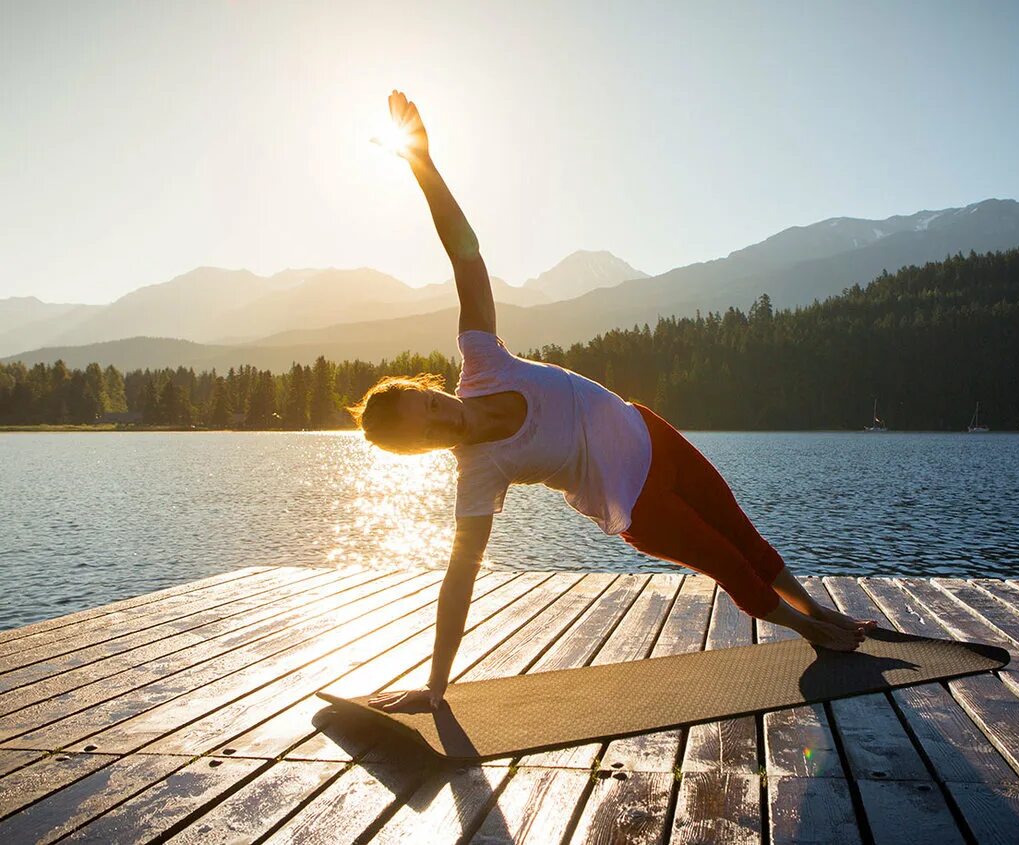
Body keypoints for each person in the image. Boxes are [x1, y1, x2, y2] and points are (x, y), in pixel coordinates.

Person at [356, 91, 876, 713]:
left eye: (432, 405)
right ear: (422, 449)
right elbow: (458, 580)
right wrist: (436, 686)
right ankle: (815, 633)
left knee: (743, 534)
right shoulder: (480, 472)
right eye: (429, 431)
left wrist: (422, 162)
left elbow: (465, 253)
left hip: (651, 434)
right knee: (724, 563)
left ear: (430, 390)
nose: (446, 418)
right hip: (636, 501)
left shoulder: (483, 361)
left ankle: (815, 609)